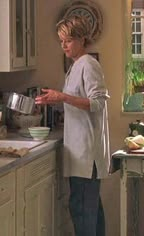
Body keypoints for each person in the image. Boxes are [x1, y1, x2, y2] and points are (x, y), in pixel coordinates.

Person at [35, 15, 110, 236]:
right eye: (61, 41)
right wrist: (56, 100)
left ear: (81, 39)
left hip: (87, 155)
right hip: (80, 152)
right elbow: (75, 102)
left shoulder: (89, 64)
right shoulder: (76, 66)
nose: (64, 46)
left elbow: (97, 103)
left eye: (67, 40)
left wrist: (63, 97)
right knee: (91, 210)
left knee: (82, 210)